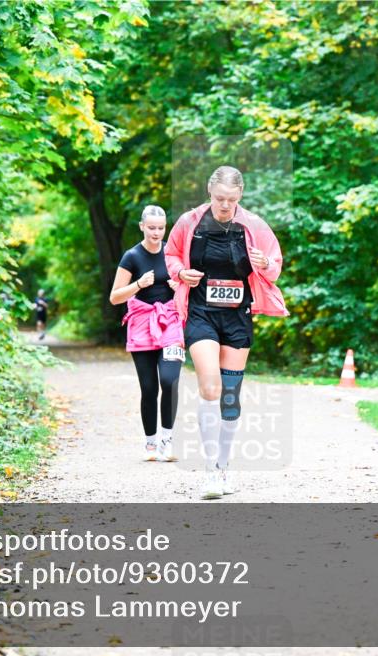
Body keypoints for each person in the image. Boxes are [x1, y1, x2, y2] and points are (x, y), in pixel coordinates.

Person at [165, 166, 288, 499]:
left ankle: (223, 466)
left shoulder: (255, 226)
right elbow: (171, 255)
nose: (224, 205)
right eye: (219, 198)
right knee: (210, 387)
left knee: (230, 395)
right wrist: (181, 272)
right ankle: (209, 471)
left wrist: (264, 264)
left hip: (237, 316)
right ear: (209, 191)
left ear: (241, 195)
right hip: (201, 313)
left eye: (231, 199)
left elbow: (275, 268)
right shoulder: (190, 222)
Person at [110, 205, 185, 462]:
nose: (156, 233)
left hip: (170, 321)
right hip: (142, 324)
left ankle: (167, 440)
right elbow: (115, 297)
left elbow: (191, 288)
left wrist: (179, 287)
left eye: (161, 228)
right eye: (151, 227)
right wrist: (138, 284)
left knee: (170, 381)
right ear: (142, 226)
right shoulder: (131, 257)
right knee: (149, 387)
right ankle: (151, 443)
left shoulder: (173, 254)